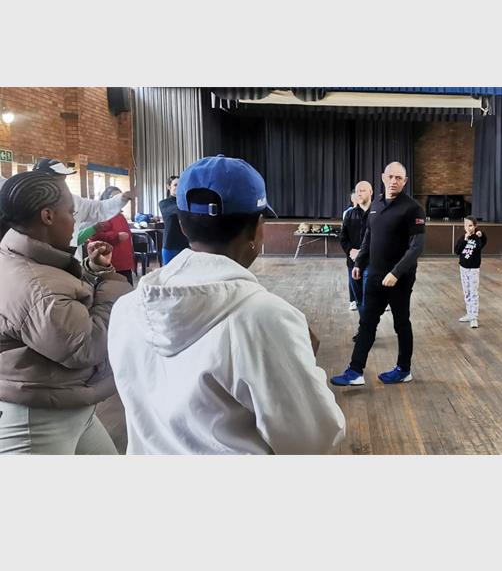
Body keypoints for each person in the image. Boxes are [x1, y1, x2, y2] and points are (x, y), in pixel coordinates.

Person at [108, 155, 345, 454]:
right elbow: (312, 439)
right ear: (257, 229)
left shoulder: (126, 308)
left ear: (182, 225)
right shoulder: (264, 318)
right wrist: (304, 365)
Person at [0, 170, 133, 454]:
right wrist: (110, 286)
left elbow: (60, 300)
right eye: (71, 212)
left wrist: (92, 271)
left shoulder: (22, 257)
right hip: (37, 419)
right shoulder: (36, 286)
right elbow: (86, 346)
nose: (75, 221)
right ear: (48, 216)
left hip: (67, 401)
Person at [331, 162, 426, 387]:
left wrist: (396, 272)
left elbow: (416, 247)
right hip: (374, 275)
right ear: (383, 177)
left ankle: (404, 369)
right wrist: (359, 262)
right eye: (390, 176)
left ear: (405, 181)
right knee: (367, 322)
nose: (394, 181)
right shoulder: (376, 205)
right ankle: (355, 371)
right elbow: (368, 238)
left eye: (399, 178)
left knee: (401, 323)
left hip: (399, 279)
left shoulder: (413, 209)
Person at [0, 159, 134, 260]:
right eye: (59, 179)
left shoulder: (72, 200)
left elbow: (98, 208)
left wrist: (121, 199)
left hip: (68, 259)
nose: (73, 221)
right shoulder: (21, 201)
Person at [88, 186, 135, 285]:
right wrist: (116, 236)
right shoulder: (101, 215)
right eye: (114, 197)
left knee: (127, 290)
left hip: (124, 262)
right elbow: (93, 235)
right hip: (110, 264)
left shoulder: (120, 215)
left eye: (121, 197)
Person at [340, 181, 373, 312]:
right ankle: (363, 323)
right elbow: (343, 237)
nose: (359, 193)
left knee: (370, 298)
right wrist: (350, 251)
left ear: (371, 192)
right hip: (352, 262)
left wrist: (363, 253)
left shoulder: (377, 214)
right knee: (359, 300)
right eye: (357, 191)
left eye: (363, 190)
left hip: (371, 262)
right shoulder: (350, 214)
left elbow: (381, 238)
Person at [455, 215, 487, 328]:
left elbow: (481, 244)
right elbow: (457, 251)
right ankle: (469, 314)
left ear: (475, 226)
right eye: (466, 225)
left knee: (473, 292)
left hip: (473, 269)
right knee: (467, 292)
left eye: (470, 226)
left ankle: (474, 317)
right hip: (463, 268)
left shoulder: (477, 238)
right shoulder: (462, 238)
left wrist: (479, 235)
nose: (468, 228)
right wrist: (465, 239)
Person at [158, 175, 190, 265]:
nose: (179, 187)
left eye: (181, 185)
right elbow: (178, 210)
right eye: (175, 185)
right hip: (170, 245)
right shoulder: (164, 203)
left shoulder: (186, 202)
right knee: (170, 272)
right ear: (169, 186)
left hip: (187, 245)